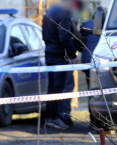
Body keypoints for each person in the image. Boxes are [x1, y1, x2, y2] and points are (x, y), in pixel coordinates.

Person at [43, 0, 80, 130]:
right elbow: (65, 37)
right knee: (59, 88)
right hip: (59, 56)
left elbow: (44, 35)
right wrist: (73, 55)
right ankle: (55, 118)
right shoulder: (64, 15)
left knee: (52, 88)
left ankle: (51, 117)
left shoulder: (49, 13)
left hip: (49, 53)